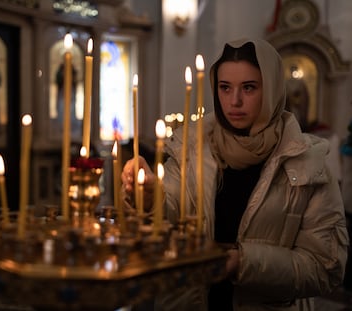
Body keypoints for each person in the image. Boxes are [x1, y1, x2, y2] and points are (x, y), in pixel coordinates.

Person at [121, 38, 349, 311]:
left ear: (273, 89)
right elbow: (169, 213)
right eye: (225, 88)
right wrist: (148, 198)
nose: (234, 101)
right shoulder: (191, 150)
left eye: (249, 88)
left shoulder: (308, 163)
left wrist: (242, 263)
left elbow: (325, 267)